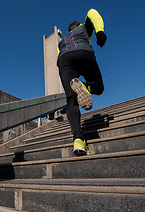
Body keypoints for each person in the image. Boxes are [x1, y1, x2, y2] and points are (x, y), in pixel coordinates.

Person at [57, 8, 107, 156]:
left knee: (71, 100)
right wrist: (100, 32)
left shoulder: (63, 40)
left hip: (63, 59)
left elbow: (60, 56)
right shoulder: (84, 28)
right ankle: (85, 86)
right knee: (99, 87)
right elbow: (92, 12)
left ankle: (78, 140)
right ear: (79, 25)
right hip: (82, 52)